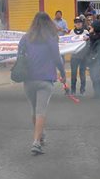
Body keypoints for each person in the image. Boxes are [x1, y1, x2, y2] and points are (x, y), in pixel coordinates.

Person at [19, 12, 65, 155]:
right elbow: (57, 59)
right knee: (41, 111)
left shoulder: (25, 38)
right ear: (49, 23)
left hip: (29, 79)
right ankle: (36, 142)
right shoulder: (50, 39)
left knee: (34, 110)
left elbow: (19, 57)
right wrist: (63, 74)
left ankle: (40, 135)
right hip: (45, 79)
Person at [69, 15, 90, 96]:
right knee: (73, 74)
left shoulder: (86, 32)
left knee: (82, 74)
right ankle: (73, 90)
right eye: (76, 22)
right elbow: (69, 44)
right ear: (74, 24)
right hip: (74, 56)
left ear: (82, 23)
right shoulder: (71, 32)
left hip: (83, 57)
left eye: (79, 22)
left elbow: (88, 44)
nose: (78, 24)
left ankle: (82, 90)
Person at [87, 19, 100, 99]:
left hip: (99, 59)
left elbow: (99, 50)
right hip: (93, 59)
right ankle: (97, 93)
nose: (90, 27)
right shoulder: (93, 36)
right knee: (93, 76)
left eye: (91, 26)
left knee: (96, 75)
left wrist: (93, 58)